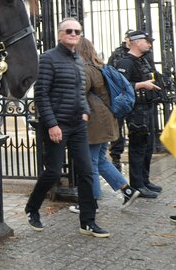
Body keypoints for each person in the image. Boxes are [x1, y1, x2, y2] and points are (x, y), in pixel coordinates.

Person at [25, 18, 110, 238]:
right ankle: (32, 208)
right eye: (69, 31)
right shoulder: (47, 59)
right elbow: (41, 94)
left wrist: (85, 112)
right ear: (60, 34)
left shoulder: (79, 61)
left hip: (78, 125)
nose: (73, 34)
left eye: (77, 31)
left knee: (86, 172)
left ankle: (88, 222)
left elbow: (81, 92)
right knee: (53, 171)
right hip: (56, 125)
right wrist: (52, 124)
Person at [67, 37, 139, 213]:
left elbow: (78, 94)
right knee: (100, 160)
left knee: (90, 163)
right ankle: (128, 191)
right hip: (106, 119)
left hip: (95, 122)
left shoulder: (84, 69)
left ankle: (91, 202)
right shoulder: (100, 67)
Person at [115, 30, 163, 198]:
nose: (149, 44)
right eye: (146, 41)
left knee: (148, 145)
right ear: (135, 42)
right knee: (137, 147)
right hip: (136, 110)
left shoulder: (143, 60)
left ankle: (144, 180)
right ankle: (137, 185)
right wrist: (142, 85)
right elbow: (120, 86)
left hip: (147, 107)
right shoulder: (125, 62)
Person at [107, 30, 131, 171]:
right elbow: (110, 72)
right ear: (126, 39)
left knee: (135, 128)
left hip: (137, 98)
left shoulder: (143, 54)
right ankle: (116, 157)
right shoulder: (117, 54)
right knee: (118, 128)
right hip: (120, 96)